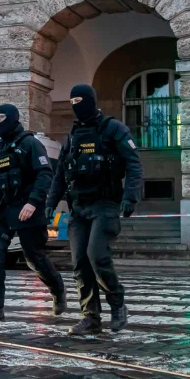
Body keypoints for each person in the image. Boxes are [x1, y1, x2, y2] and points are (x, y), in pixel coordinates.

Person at [47, 84, 143, 335]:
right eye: (72, 101)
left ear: (91, 100)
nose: (76, 105)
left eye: (80, 100)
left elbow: (134, 164)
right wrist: (49, 204)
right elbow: (60, 173)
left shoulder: (114, 129)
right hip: (78, 208)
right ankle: (90, 317)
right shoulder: (74, 134)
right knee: (80, 262)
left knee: (96, 255)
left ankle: (117, 301)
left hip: (105, 205)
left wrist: (130, 197)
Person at [0, 104, 67, 322]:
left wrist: (33, 203)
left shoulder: (30, 144)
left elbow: (45, 174)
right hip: (2, 212)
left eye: (3, 117)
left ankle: (58, 290)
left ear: (13, 118)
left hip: (28, 210)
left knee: (34, 257)